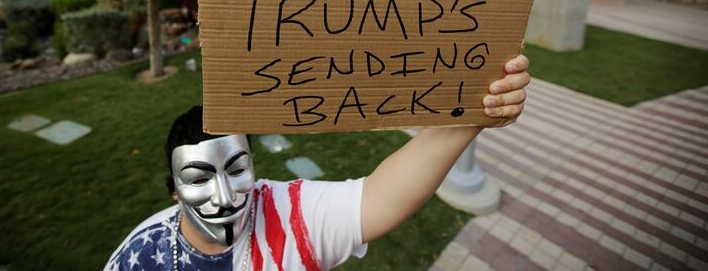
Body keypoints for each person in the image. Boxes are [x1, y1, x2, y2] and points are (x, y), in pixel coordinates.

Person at [105, 55, 531, 271]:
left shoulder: (288, 215)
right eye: (200, 179)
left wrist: (472, 115)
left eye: (237, 169)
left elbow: (380, 198)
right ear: (174, 190)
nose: (225, 194)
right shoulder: (141, 257)